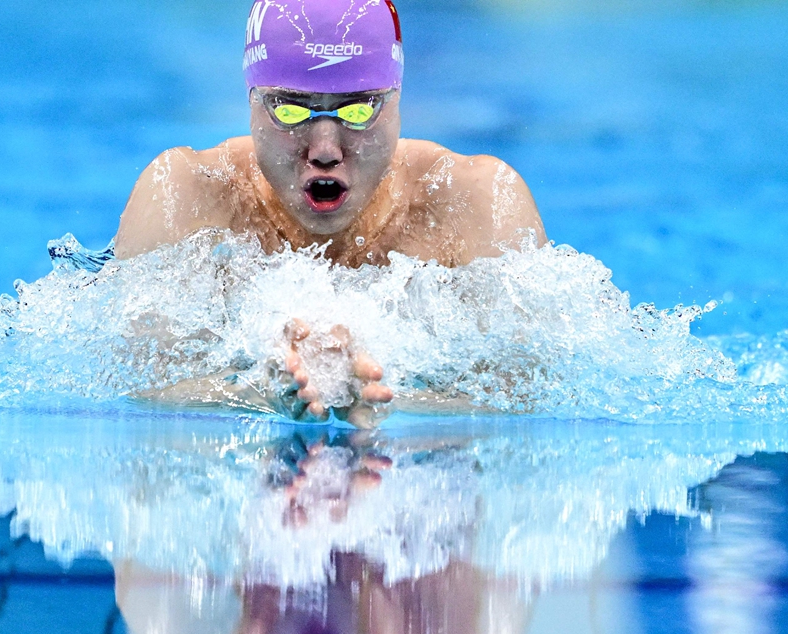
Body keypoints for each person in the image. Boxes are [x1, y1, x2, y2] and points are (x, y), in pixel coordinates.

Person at [115, 0, 548, 427]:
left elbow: (536, 397)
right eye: (290, 110)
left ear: (397, 101)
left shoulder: (474, 202)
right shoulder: (186, 196)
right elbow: (132, 393)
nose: (324, 150)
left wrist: (389, 399)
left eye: (358, 110)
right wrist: (250, 394)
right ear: (251, 101)